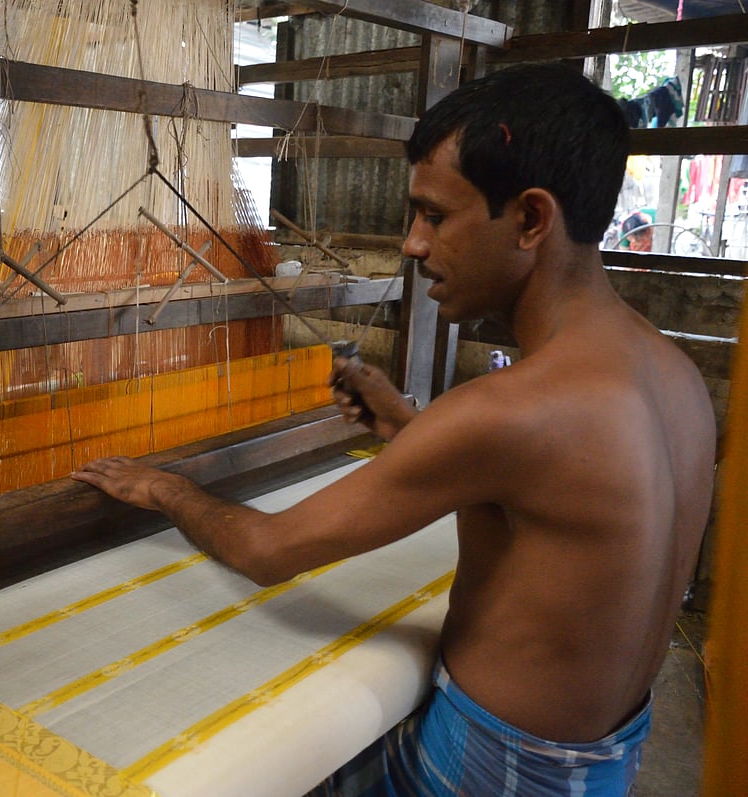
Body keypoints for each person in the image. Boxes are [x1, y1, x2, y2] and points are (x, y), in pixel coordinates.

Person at [71, 63, 716, 796]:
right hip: (607, 758)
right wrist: (411, 427)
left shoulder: (511, 411)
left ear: (532, 219)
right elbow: (553, 502)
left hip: (492, 769)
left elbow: (268, 549)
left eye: (435, 216)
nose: (412, 244)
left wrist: (165, 487)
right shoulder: (676, 376)